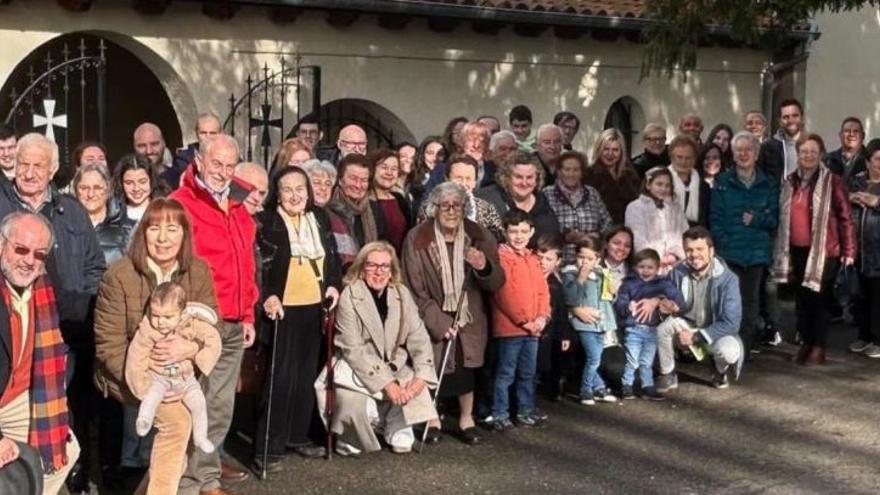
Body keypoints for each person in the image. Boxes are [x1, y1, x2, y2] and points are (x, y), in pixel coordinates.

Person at [0, 133, 104, 493]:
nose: (29, 173)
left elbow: (94, 265)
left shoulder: (70, 210)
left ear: (54, 169)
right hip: (12, 334)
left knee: (65, 431)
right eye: (23, 164)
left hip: (60, 336)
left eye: (38, 165)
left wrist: (84, 312)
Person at [94, 198, 220, 494]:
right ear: (143, 233)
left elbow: (213, 323)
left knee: (189, 431)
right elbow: (108, 344)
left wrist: (190, 350)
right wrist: (151, 378)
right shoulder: (119, 275)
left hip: (182, 375)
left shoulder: (198, 271)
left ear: (184, 234)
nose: (163, 239)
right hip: (134, 374)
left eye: (172, 229)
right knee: (178, 425)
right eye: (154, 229)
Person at [170, 134, 258, 494]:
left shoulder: (238, 207)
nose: (222, 172)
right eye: (216, 163)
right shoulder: (181, 204)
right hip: (200, 320)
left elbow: (247, 264)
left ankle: (205, 478)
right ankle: (186, 483)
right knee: (192, 405)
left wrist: (249, 313)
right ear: (200, 162)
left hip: (234, 321)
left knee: (219, 407)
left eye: (229, 165)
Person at [402, 181, 505, 445]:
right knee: (430, 363)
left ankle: (466, 419)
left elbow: (497, 281)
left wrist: (483, 267)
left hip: (469, 317)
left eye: (456, 206)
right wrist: (438, 321)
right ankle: (431, 418)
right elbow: (413, 287)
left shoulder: (480, 236)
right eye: (444, 206)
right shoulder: (417, 237)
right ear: (434, 208)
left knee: (464, 366)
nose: (450, 211)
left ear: (464, 208)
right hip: (430, 314)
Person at [256, 166, 342, 466]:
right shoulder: (267, 221)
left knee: (305, 376)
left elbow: (332, 256)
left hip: (314, 306)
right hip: (282, 309)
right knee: (281, 378)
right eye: (287, 190)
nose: (295, 196)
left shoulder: (318, 217)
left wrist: (333, 284)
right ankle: (269, 446)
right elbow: (260, 266)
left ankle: (297, 436)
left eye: (300, 189)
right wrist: (268, 295)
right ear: (277, 194)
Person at [326, 241, 438, 455]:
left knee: (403, 444)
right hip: (359, 368)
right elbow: (353, 349)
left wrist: (421, 377)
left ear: (392, 270)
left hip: (396, 366)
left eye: (385, 266)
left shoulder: (401, 294)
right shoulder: (350, 295)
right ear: (362, 268)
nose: (379, 272)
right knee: (352, 419)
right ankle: (364, 426)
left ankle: (393, 422)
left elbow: (420, 338)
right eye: (372, 265)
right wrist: (387, 384)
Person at [0, 212, 80, 495]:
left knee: (65, 450)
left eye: (39, 254)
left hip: (14, 399)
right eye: (21, 249)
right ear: (1, 245)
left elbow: (76, 308)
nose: (29, 260)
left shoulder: (42, 286)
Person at [771, 133, 855, 366]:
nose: (808, 156)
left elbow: (846, 218)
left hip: (824, 252)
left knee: (819, 302)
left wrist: (849, 251)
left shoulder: (833, 181)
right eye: (804, 151)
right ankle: (806, 344)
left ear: (821, 155)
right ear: (798, 154)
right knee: (802, 301)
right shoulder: (790, 181)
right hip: (796, 250)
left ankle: (818, 347)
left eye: (813, 152)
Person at [126, 282, 221, 455]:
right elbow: (136, 357)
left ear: (182, 313)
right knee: (152, 395)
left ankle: (200, 436)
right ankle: (144, 419)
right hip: (158, 377)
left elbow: (213, 337)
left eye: (168, 317)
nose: (160, 322)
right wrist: (140, 384)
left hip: (185, 378)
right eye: (155, 315)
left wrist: (202, 356)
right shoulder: (147, 331)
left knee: (199, 403)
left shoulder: (191, 324)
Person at [710, 131, 779, 358]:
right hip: (730, 253)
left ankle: (744, 348)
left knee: (750, 303)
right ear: (733, 154)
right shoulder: (722, 182)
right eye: (738, 150)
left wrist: (757, 219)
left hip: (756, 254)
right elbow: (715, 219)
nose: (743, 154)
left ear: (756, 154)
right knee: (728, 302)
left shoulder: (767, 183)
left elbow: (774, 219)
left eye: (748, 150)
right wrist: (724, 243)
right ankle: (726, 348)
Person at [656, 227, 743, 391]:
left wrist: (697, 336)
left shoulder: (729, 279)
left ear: (711, 251)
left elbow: (732, 323)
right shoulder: (677, 272)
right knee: (662, 329)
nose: (694, 254)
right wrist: (663, 306)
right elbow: (661, 297)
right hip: (685, 326)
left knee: (729, 352)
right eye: (689, 250)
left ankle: (719, 371)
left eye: (699, 249)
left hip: (713, 330)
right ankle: (668, 373)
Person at [490, 210, 551, 431]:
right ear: (505, 232)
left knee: (527, 373)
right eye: (514, 231)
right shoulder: (502, 257)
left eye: (524, 231)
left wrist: (542, 316)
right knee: (506, 373)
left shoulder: (533, 259)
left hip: (533, 328)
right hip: (511, 328)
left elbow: (543, 291)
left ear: (531, 232)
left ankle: (525, 410)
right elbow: (504, 294)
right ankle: (500, 413)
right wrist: (523, 320)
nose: (519, 236)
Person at [615, 248, 685, 400]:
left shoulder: (663, 283)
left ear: (658, 268)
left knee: (647, 361)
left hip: (652, 329)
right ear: (635, 267)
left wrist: (667, 301)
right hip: (633, 328)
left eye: (650, 267)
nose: (645, 271)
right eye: (642, 267)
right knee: (632, 360)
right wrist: (628, 306)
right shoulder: (629, 284)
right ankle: (627, 385)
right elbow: (620, 305)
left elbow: (679, 301)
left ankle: (647, 386)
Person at [563, 236, 618, 405]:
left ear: (597, 259)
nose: (585, 262)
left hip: (600, 323)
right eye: (581, 257)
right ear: (576, 256)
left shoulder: (601, 274)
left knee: (596, 358)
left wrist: (613, 291)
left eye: (590, 258)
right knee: (593, 357)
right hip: (583, 324)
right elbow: (570, 298)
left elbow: (608, 300)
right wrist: (580, 279)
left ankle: (599, 387)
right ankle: (585, 390)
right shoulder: (570, 274)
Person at [542, 150, 612, 263]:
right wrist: (564, 236)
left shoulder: (592, 193)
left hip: (590, 261)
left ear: (582, 172)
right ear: (559, 172)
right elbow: (543, 228)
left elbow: (608, 222)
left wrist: (597, 235)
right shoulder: (547, 194)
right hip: (559, 261)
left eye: (576, 170)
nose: (571, 174)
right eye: (567, 169)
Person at [477, 152, 559, 245]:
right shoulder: (487, 199)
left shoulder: (545, 208)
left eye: (529, 177)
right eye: (518, 177)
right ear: (506, 178)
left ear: (537, 179)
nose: (524, 183)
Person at [416, 155, 503, 241]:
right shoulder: (430, 207)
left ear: (475, 182)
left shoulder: (486, 209)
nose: (463, 183)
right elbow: (422, 239)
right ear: (447, 179)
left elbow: (498, 240)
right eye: (459, 178)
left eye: (468, 179)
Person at [848, 138, 880, 358]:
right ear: (868, 162)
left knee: (878, 296)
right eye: (877, 159)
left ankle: (878, 340)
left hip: (878, 251)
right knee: (861, 295)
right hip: (858, 249)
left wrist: (876, 202)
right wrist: (851, 196)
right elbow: (839, 196)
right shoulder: (856, 180)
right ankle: (864, 335)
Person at [625, 167, 688, 274]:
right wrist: (656, 259)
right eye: (659, 184)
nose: (663, 189)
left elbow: (683, 232)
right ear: (648, 185)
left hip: (674, 264)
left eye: (667, 185)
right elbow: (638, 239)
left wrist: (674, 256)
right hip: (647, 266)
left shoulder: (675, 208)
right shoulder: (636, 207)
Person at [73, 162, 132, 265]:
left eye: (97, 188)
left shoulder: (127, 227)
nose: (90, 194)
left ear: (108, 189)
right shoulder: (65, 225)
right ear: (75, 190)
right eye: (84, 188)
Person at [303, 159, 357, 266]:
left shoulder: (338, 218)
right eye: (316, 183)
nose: (323, 188)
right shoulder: (298, 216)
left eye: (328, 184)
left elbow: (348, 258)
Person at [582, 128, 641, 224]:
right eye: (606, 149)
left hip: (627, 226)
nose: (610, 154)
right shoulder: (588, 175)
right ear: (599, 149)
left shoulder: (630, 175)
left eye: (615, 150)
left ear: (621, 152)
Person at [328, 153, 385, 249]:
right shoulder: (329, 210)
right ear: (340, 180)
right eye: (353, 178)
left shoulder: (375, 209)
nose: (358, 185)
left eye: (363, 180)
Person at [426, 121, 496, 192]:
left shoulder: (494, 171)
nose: (476, 145)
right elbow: (428, 196)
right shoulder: (441, 171)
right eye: (471, 140)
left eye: (482, 141)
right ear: (462, 142)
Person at [368, 149, 412, 253]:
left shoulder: (400, 199)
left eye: (394, 169)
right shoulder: (365, 201)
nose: (389, 173)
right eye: (384, 167)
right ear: (372, 169)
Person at [758, 98, 804, 184]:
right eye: (786, 117)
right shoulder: (768, 147)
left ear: (802, 117)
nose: (791, 120)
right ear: (779, 121)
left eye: (795, 116)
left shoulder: (811, 144)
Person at [171, 112, 223, 189]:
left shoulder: (230, 156)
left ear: (221, 133)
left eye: (212, 133)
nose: (208, 137)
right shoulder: (183, 159)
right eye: (203, 133)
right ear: (196, 133)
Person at [667, 135, 710, 227]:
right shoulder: (659, 183)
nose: (683, 162)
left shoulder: (704, 187)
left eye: (688, 158)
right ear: (671, 158)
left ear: (695, 159)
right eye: (679, 157)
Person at [114, 153, 166, 226]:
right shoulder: (113, 215)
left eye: (142, 182)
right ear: (120, 184)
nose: (136, 188)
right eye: (129, 183)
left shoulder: (166, 209)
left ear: (152, 180)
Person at [826, 116, 867, 186]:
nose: (851, 134)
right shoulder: (828, 160)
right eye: (847, 131)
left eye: (856, 131)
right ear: (840, 135)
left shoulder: (870, 160)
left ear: (863, 136)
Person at [133, 123, 176, 189]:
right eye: (142, 146)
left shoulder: (179, 179)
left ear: (164, 143)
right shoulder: (126, 183)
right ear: (134, 147)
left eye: (154, 144)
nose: (149, 151)